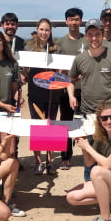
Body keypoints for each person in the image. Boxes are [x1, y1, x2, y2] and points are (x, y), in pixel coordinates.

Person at [25, 18, 72, 173]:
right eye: (41, 29)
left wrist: (60, 76)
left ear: (50, 31)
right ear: (37, 30)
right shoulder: (30, 47)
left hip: (52, 92)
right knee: (37, 126)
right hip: (35, 92)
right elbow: (24, 70)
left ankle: (49, 161)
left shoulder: (56, 48)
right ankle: (38, 161)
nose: (44, 32)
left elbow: (62, 71)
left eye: (47, 30)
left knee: (51, 125)